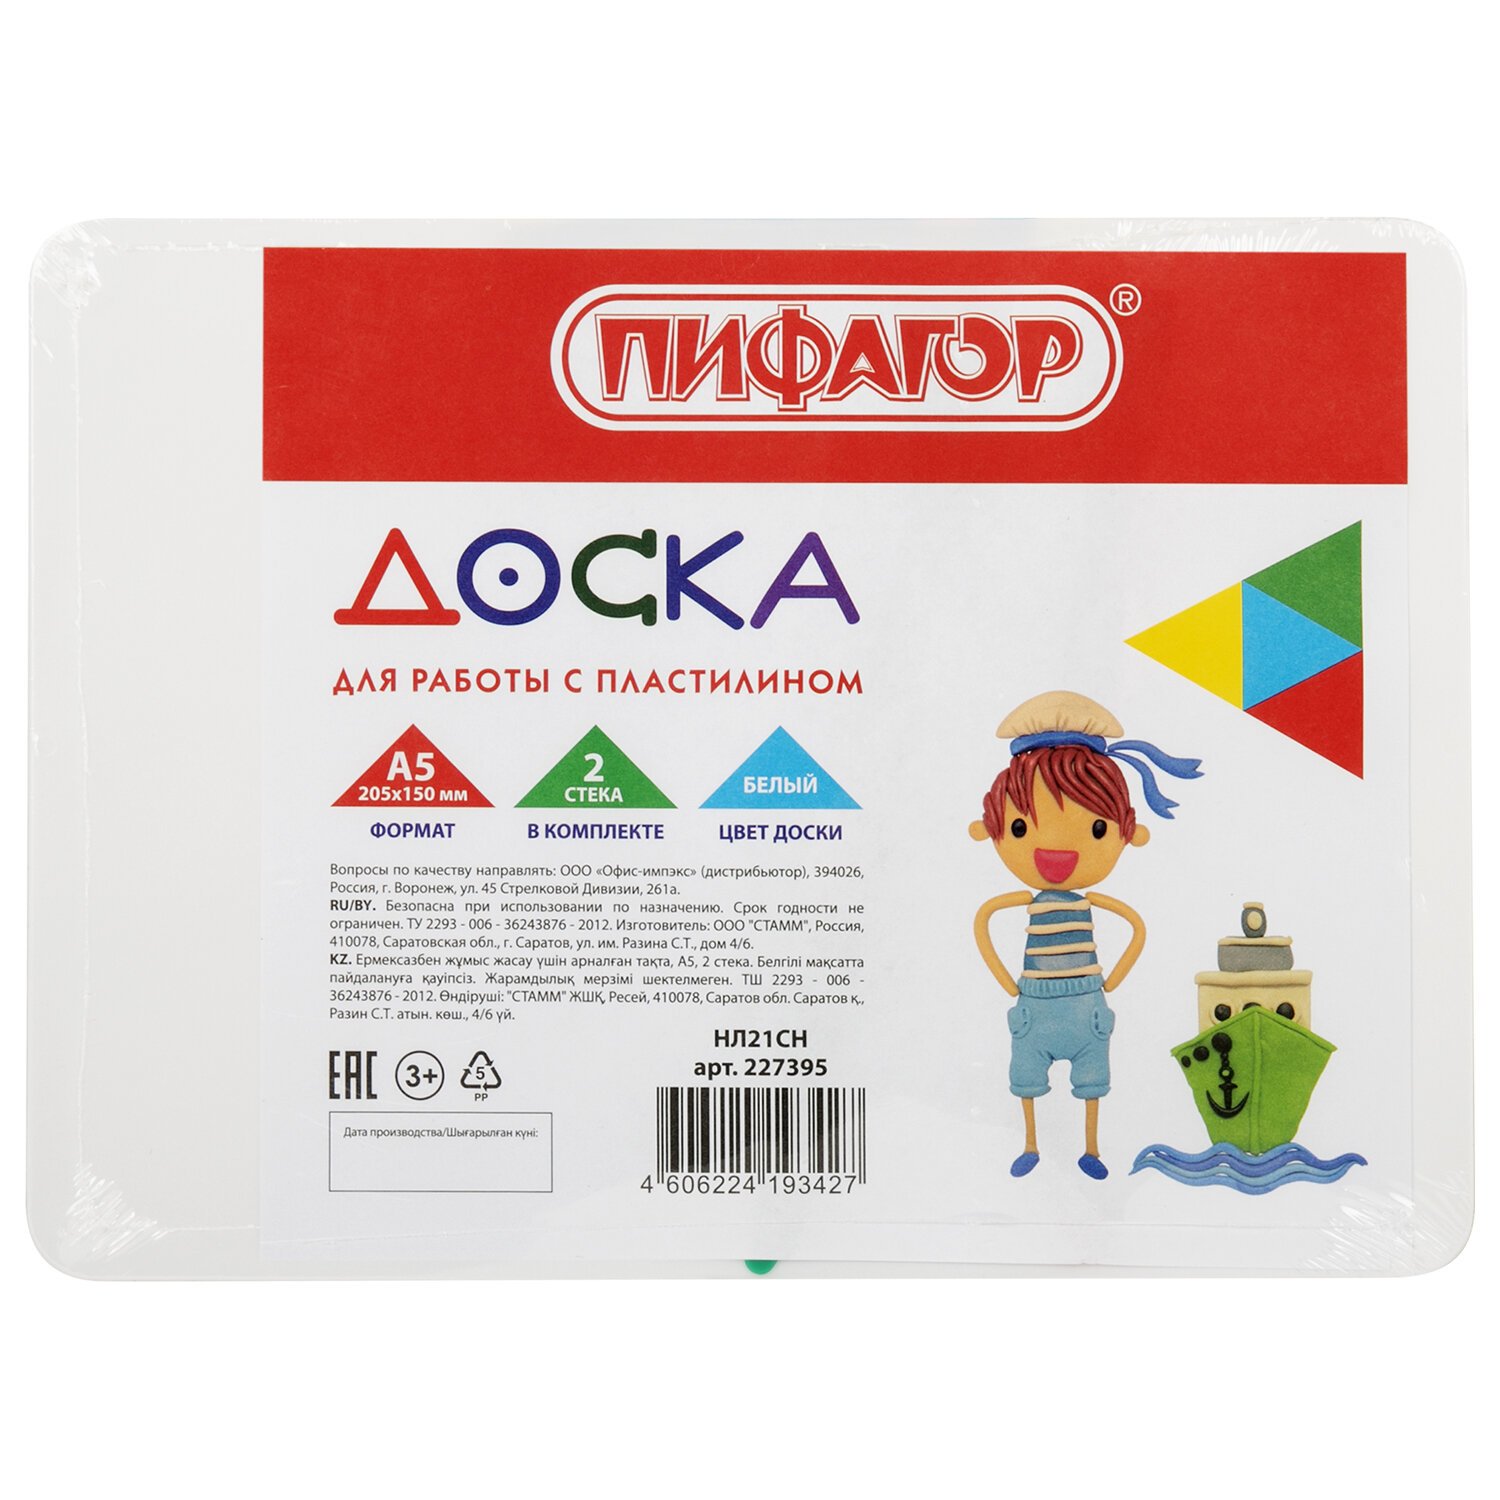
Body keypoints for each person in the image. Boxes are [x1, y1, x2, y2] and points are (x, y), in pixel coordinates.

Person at [970, 690, 1201, 1179]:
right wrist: (1010, 984)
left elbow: (1136, 927)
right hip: (1037, 1005)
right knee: (1026, 1077)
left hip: (1084, 1004)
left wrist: (1109, 981)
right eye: (1019, 826)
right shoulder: (1034, 901)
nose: (1055, 852)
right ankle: (1031, 1145)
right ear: (989, 826)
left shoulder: (1084, 901)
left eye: (1098, 829)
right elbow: (984, 918)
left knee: (1092, 1080)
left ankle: (1090, 1149)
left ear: (1128, 831)